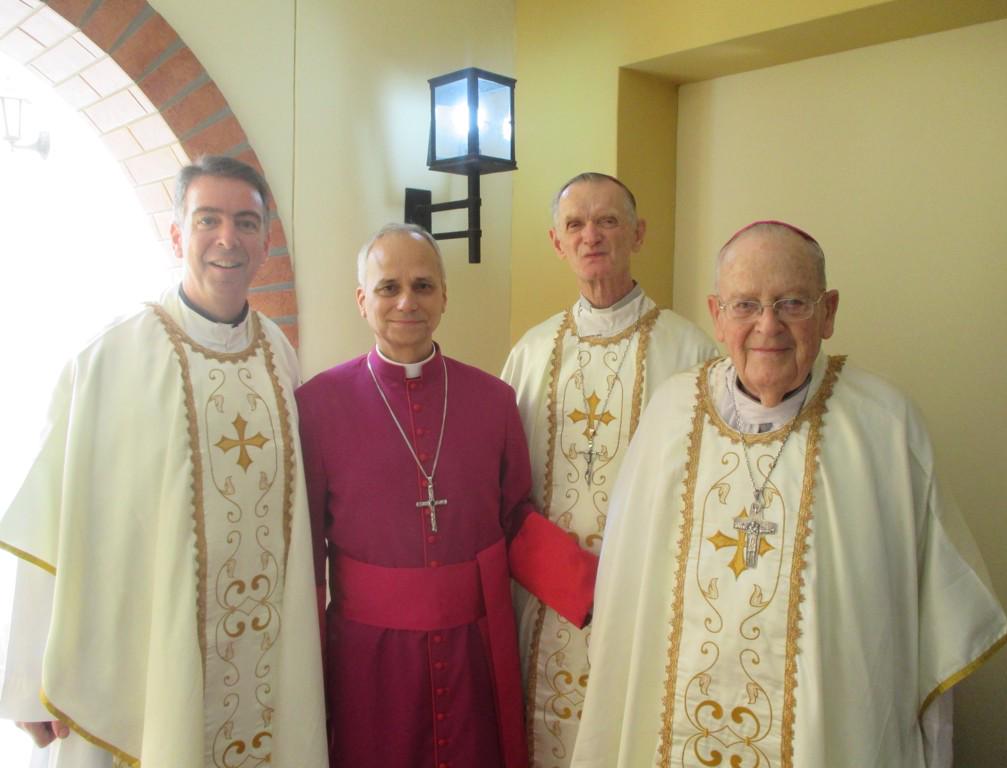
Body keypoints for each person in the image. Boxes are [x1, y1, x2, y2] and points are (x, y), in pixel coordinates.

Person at [571, 220, 1007, 767]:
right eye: (745, 305)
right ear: (716, 315)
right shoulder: (670, 414)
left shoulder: (883, 426)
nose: (767, 325)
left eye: (792, 303)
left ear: (829, 312)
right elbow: (625, 599)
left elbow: (936, 622)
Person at [0, 156, 327, 767]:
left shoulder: (279, 355)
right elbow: (52, 522)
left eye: (246, 223)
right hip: (147, 656)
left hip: (261, 654)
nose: (227, 238)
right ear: (177, 235)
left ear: (265, 244)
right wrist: (28, 680)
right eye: (208, 220)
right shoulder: (112, 356)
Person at [296, 223, 598, 768]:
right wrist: (304, 669)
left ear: (444, 296)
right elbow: (307, 552)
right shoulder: (318, 405)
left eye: (423, 286)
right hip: (367, 660)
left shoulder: (492, 400)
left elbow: (514, 519)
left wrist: (595, 589)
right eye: (388, 287)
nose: (406, 302)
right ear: (362, 300)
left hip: (472, 653)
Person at [501, 172, 718, 766]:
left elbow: (707, 494)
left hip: (644, 603)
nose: (590, 236)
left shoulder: (691, 355)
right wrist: (564, 577)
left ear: (638, 233)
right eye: (575, 224)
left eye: (607, 221)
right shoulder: (530, 354)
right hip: (546, 606)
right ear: (557, 242)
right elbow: (502, 490)